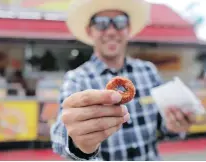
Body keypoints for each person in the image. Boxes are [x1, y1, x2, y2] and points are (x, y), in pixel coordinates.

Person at [50, 0, 197, 160]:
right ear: (89, 31)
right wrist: (75, 140)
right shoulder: (77, 79)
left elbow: (164, 125)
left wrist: (176, 125)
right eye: (101, 23)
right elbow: (59, 133)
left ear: (129, 29)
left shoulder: (148, 71)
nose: (111, 31)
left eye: (120, 22)